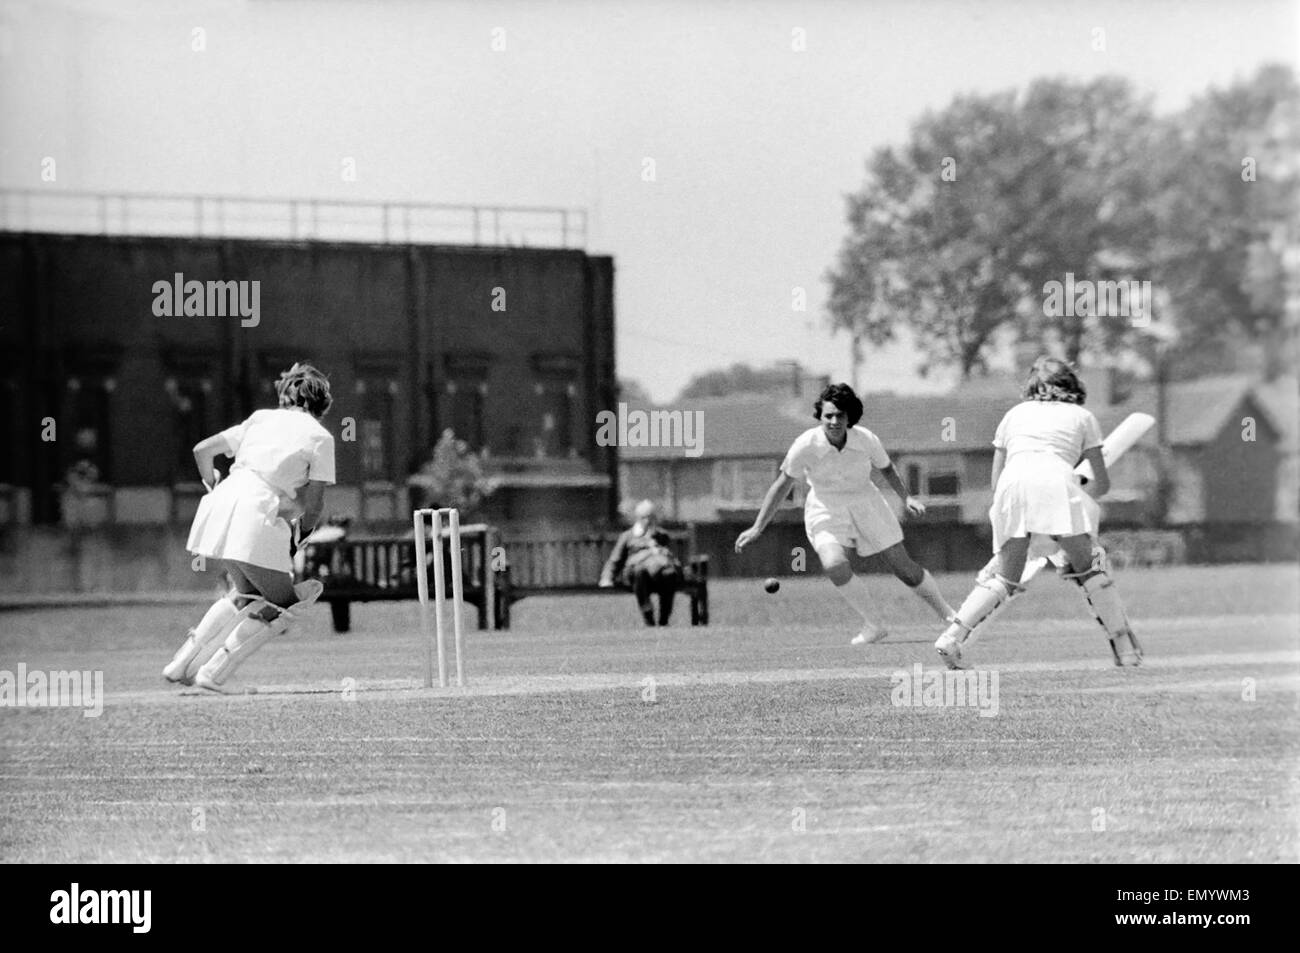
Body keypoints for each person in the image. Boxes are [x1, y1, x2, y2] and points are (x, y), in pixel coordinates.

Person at [934, 356, 1142, 669]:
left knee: (1005, 578)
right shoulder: (1082, 417)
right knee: (1090, 569)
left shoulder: (1014, 414)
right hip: (1058, 483)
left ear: (1032, 385)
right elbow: (1102, 484)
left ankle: (951, 638)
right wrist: (1078, 496)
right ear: (1071, 384)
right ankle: (1126, 650)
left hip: (1012, 487)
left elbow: (996, 482)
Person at [734, 382, 954, 644]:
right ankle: (874, 625)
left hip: (867, 502)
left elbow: (886, 468)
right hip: (825, 508)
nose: (834, 421)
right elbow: (782, 484)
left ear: (850, 417)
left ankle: (951, 618)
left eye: (840, 415)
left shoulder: (866, 439)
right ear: (820, 416)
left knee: (905, 569)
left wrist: (907, 498)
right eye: (828, 415)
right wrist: (758, 527)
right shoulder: (805, 444)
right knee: (834, 565)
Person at [163, 362, 336, 690]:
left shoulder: (260, 419)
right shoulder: (320, 438)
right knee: (285, 605)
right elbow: (314, 507)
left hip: (222, 503)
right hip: (254, 511)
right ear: (322, 403)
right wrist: (299, 536)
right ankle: (212, 674)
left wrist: (212, 484)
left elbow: (202, 450)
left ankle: (180, 664)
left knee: (245, 594)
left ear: (285, 395)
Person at [599, 500, 683, 626]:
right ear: (638, 518)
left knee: (669, 574)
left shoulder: (661, 535)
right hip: (637, 576)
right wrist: (607, 577)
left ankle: (664, 619)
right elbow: (615, 559)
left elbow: (670, 556)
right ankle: (648, 616)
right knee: (640, 571)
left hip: (658, 573)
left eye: (651, 517)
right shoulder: (628, 536)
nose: (648, 521)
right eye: (644, 517)